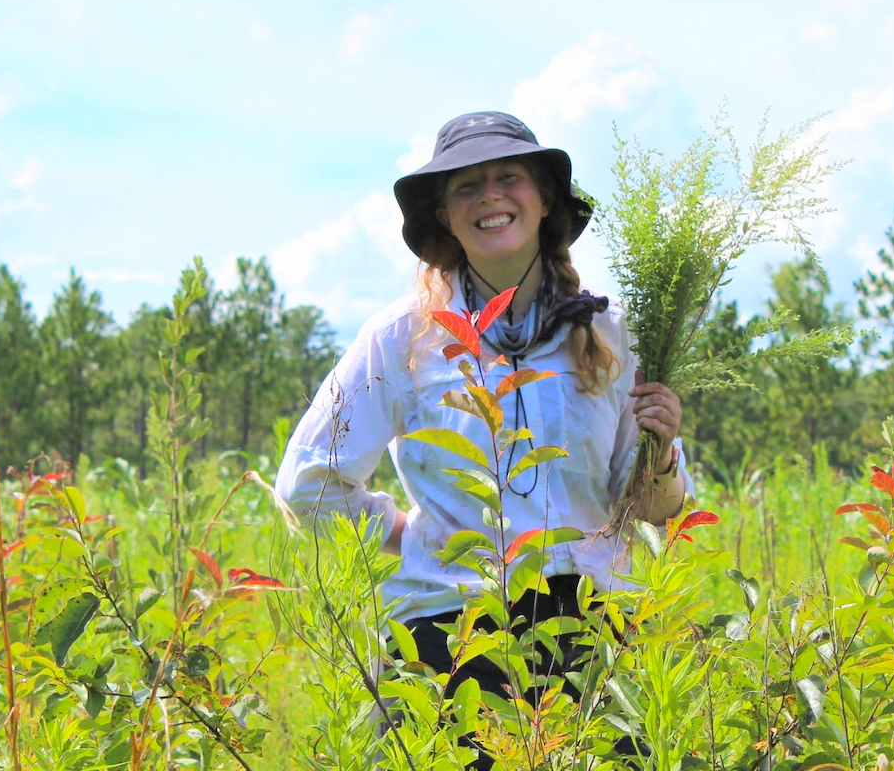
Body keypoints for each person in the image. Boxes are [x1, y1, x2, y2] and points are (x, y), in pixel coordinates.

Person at [275, 111, 693, 766]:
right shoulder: (401, 337)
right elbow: (307, 481)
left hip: (589, 636)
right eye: (466, 186)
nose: (490, 196)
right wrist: (403, 533)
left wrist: (661, 450)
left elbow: (653, 507)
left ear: (546, 197)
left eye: (509, 177)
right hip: (451, 634)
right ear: (442, 214)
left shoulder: (611, 332)